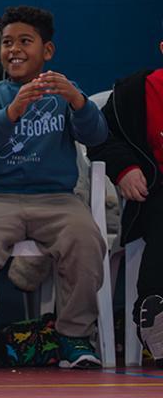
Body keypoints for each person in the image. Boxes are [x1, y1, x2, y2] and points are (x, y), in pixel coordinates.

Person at [0, 6, 108, 369]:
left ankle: (72, 334)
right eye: (7, 42)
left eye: (25, 41)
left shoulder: (62, 91)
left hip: (55, 199)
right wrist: (11, 111)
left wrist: (78, 101)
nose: (14, 49)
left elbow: (97, 135)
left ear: (47, 51)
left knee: (85, 239)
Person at [88, 27, 163, 364]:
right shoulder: (136, 92)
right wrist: (125, 168)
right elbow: (100, 137)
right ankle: (156, 309)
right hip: (156, 197)